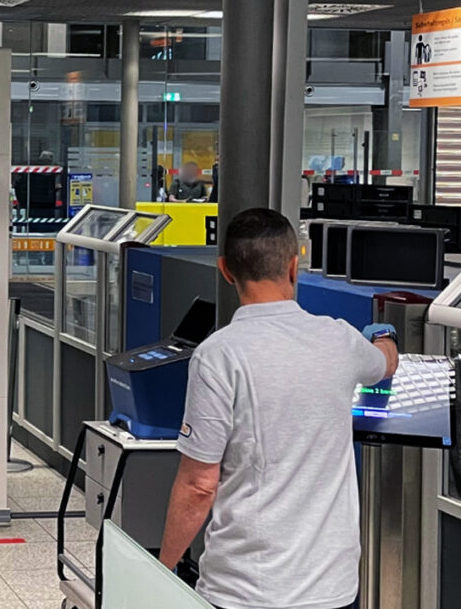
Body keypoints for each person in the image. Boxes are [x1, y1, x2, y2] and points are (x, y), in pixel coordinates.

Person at [158, 208, 399, 609]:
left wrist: (162, 569)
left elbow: (199, 485)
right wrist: (385, 338)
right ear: (293, 266)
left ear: (226, 270)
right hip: (330, 587)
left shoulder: (218, 355)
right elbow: (385, 364)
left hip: (244, 589)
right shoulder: (339, 339)